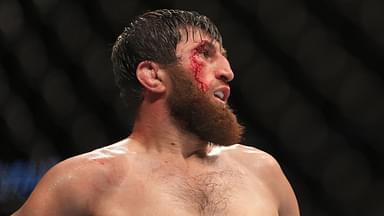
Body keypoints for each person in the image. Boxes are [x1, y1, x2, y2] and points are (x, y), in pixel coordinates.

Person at [12, 9, 299, 215]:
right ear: (153, 76)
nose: (228, 72)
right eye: (206, 54)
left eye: (225, 57)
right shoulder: (85, 180)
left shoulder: (263, 171)